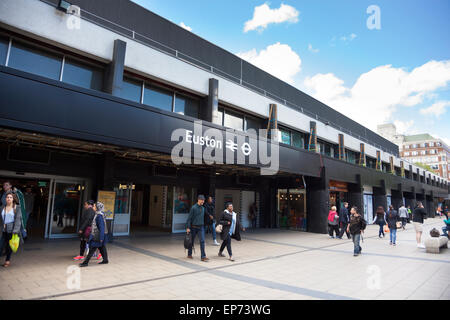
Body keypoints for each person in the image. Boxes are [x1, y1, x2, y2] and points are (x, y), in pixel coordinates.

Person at [79, 202, 109, 267]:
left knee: (92, 248)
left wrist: (101, 237)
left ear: (98, 208)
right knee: (102, 247)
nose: (93, 207)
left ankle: (85, 262)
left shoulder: (99, 216)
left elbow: (101, 227)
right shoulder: (98, 214)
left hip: (97, 235)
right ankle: (105, 260)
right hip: (98, 235)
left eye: (94, 206)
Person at [0, 191, 23, 267]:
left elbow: (18, 220)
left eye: (10, 197)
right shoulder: (2, 207)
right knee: (1, 245)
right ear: (5, 199)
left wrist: (15, 231)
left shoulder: (17, 207)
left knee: (9, 247)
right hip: (3, 230)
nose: (9, 198)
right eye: (7, 197)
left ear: (13, 199)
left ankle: (7, 260)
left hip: (12, 231)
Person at [185, 195, 209, 262]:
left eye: (204, 200)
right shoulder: (193, 208)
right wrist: (188, 227)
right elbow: (189, 218)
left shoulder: (203, 208)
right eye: (202, 200)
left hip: (201, 227)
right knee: (191, 241)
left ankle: (203, 256)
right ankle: (189, 254)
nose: (203, 201)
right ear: (198, 200)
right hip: (193, 227)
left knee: (202, 241)